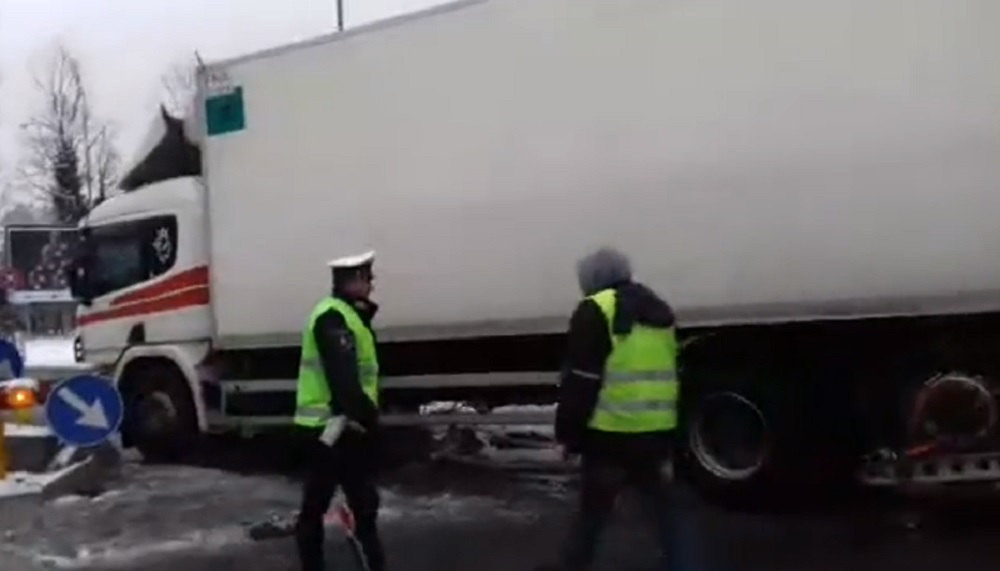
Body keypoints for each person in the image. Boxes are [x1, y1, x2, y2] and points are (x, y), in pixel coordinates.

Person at [536, 247, 694, 571]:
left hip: (611, 433)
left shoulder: (595, 310)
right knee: (667, 515)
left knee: (593, 512)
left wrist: (568, 435)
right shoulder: (659, 311)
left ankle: (572, 566)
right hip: (657, 431)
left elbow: (582, 380)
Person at [294, 250, 385, 571]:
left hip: (336, 430)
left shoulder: (344, 315)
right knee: (351, 508)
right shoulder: (333, 318)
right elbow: (345, 381)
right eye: (368, 278)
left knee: (324, 507)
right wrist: (370, 422)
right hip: (333, 432)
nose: (372, 285)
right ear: (355, 281)